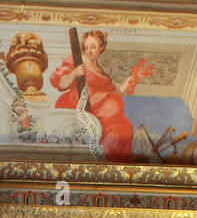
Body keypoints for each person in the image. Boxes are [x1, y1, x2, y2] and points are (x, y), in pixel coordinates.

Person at [50, 30, 153, 160]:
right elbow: (61, 84)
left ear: (101, 47)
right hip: (80, 102)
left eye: (93, 47)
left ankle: (105, 159)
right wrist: (74, 73)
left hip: (101, 110)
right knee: (112, 105)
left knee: (124, 127)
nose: (89, 51)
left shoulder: (101, 72)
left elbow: (115, 95)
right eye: (86, 47)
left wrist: (129, 81)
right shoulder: (76, 60)